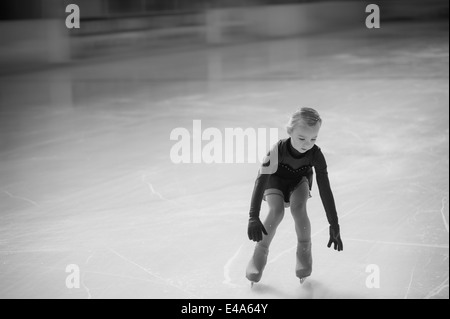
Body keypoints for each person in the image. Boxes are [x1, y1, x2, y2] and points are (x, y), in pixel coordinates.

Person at [246, 107, 343, 284]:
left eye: (313, 138)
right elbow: (261, 179)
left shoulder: (316, 154)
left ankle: (304, 254)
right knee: (276, 212)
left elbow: (325, 188)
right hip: (275, 180)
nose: (307, 144)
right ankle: (259, 254)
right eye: (301, 138)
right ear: (290, 131)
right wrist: (253, 216)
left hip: (299, 180)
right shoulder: (278, 150)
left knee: (299, 209)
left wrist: (334, 223)